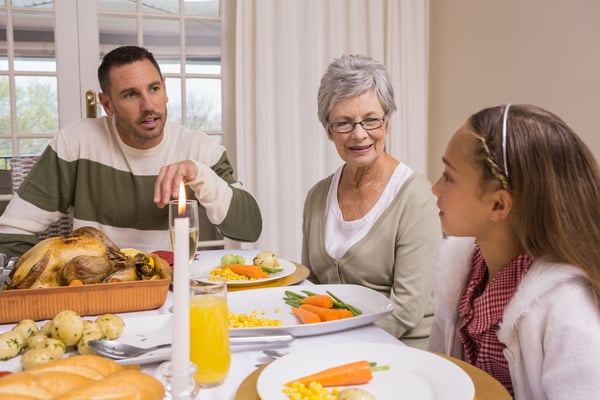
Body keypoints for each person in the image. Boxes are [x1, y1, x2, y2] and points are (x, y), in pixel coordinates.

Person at [0, 45, 262, 256]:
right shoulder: (75, 143)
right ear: (107, 104)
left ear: (165, 90)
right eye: (130, 95)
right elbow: (10, 233)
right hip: (99, 294)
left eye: (154, 89)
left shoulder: (200, 148)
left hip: (174, 291)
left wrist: (200, 174)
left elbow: (249, 229)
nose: (149, 105)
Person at [428, 104, 600, 398]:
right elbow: (437, 374)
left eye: (449, 176)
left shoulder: (569, 313)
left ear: (498, 205)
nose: (435, 188)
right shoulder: (462, 276)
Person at [302, 54, 442, 349]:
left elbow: (406, 309)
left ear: (387, 122)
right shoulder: (317, 197)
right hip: (331, 345)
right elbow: (311, 287)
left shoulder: (416, 197)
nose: (359, 134)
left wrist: (337, 346)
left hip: (402, 349)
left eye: (370, 119)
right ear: (328, 130)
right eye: (344, 123)